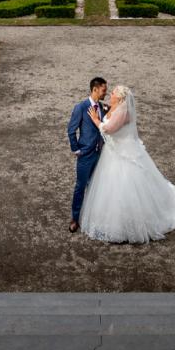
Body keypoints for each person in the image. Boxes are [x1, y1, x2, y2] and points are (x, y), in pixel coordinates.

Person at [79, 84, 175, 244]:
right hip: (112, 151)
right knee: (110, 185)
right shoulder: (116, 105)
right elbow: (110, 111)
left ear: (121, 97)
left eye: (114, 92)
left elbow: (108, 129)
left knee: (124, 185)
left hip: (123, 152)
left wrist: (96, 120)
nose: (111, 94)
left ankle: (127, 223)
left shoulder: (123, 111)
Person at [65, 77, 109, 233]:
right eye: (104, 90)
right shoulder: (81, 107)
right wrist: (76, 149)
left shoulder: (103, 107)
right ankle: (75, 218)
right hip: (85, 154)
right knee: (80, 186)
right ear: (95, 89)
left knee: (96, 186)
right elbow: (71, 130)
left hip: (100, 154)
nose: (106, 93)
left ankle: (93, 218)